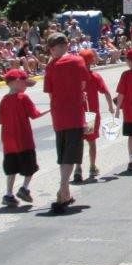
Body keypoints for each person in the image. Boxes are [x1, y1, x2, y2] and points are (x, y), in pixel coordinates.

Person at [42, 33, 93, 213]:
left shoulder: (50, 66)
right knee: (71, 156)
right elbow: (82, 86)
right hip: (74, 114)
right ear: (66, 45)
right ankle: (63, 188)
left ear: (54, 48)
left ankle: (65, 193)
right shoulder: (77, 61)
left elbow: (49, 92)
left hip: (58, 114)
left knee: (63, 155)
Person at [0, 69, 44, 207]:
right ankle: (24, 188)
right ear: (17, 82)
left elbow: (1, 121)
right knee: (30, 167)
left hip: (8, 141)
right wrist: (51, 109)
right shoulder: (23, 98)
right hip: (24, 139)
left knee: (11, 169)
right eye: (25, 83)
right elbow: (35, 114)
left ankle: (8, 194)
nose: (26, 87)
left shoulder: (4, 100)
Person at [75, 49, 114, 182]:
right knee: (91, 142)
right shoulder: (95, 76)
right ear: (91, 61)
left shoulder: (74, 77)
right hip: (91, 114)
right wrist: (110, 106)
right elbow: (107, 92)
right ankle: (92, 166)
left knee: (78, 142)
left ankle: (78, 168)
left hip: (77, 114)